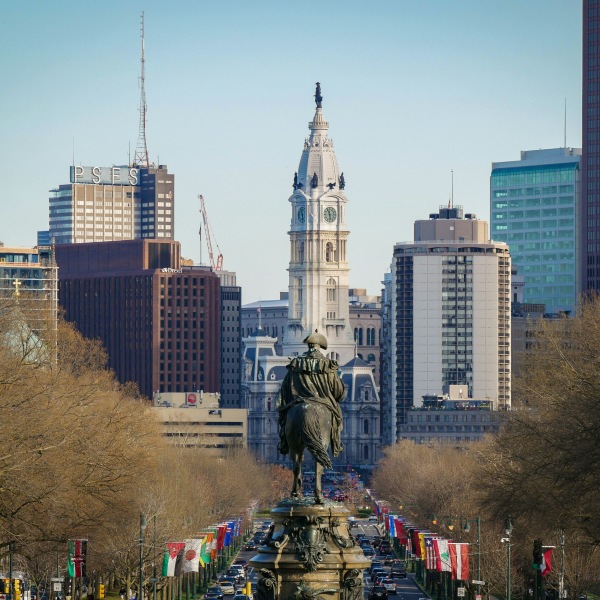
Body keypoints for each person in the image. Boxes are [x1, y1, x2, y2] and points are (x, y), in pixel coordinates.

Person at [277, 330, 344, 457]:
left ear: (309, 346)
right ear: (320, 347)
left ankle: (283, 443)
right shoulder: (328, 365)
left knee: (284, 418)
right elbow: (337, 389)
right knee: (338, 417)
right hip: (323, 401)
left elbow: (285, 387)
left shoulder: (296, 363)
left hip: (298, 401)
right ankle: (337, 443)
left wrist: (285, 403)